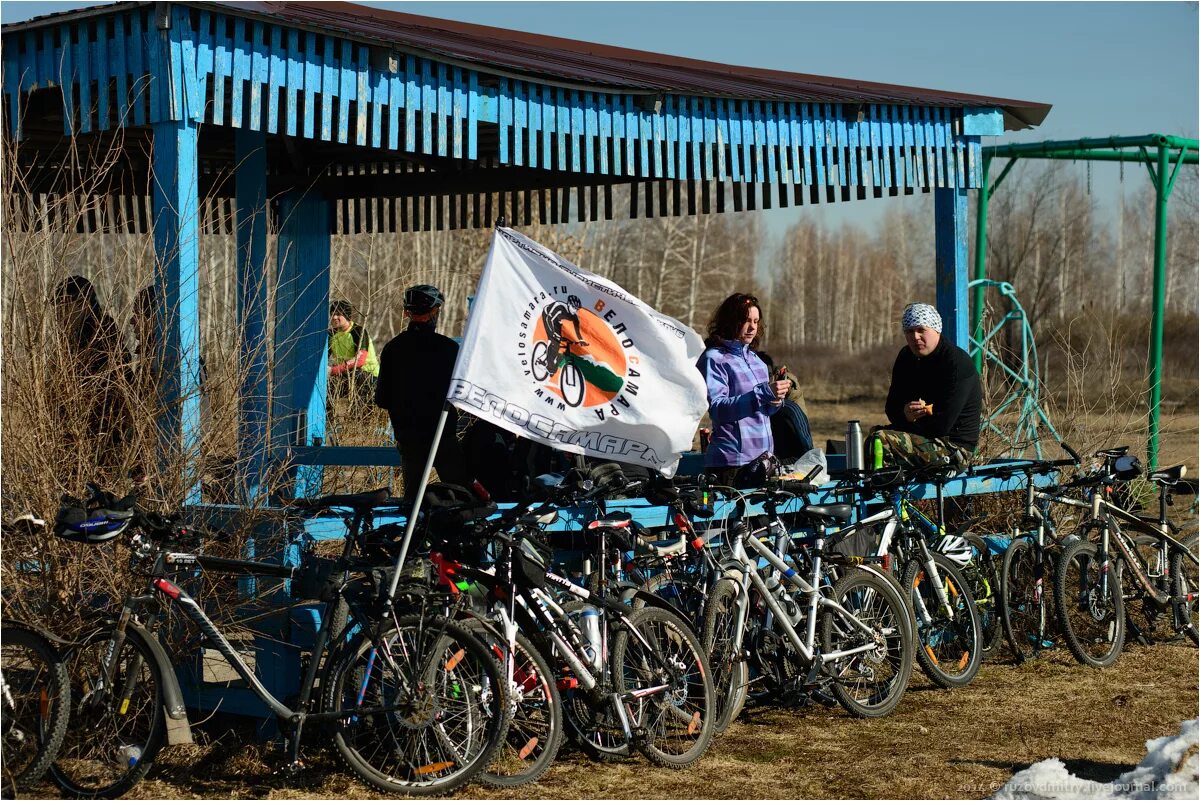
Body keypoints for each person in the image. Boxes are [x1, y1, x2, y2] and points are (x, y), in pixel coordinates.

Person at [375, 284, 475, 500]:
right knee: (463, 497)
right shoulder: (448, 349)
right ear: (434, 312)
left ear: (406, 313)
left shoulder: (393, 348)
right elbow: (464, 395)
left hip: (409, 438)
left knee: (413, 502)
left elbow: (381, 399)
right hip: (442, 436)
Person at [867, 302, 982, 469]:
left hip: (954, 448)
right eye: (909, 331)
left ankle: (884, 491)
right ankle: (884, 490)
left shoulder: (956, 363)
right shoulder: (906, 357)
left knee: (881, 440)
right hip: (921, 436)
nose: (915, 337)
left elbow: (942, 425)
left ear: (936, 330)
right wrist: (905, 414)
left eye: (921, 330)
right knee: (874, 437)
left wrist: (905, 425)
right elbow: (891, 407)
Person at [696, 293, 790, 487]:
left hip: (763, 460)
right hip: (731, 464)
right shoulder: (714, 358)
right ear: (731, 322)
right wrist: (764, 392)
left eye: (756, 321)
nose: (752, 327)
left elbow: (764, 411)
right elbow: (718, 409)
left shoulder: (758, 362)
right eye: (746, 320)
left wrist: (775, 401)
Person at [756, 351, 814, 462]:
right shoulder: (738, 409)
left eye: (767, 375)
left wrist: (774, 464)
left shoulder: (787, 410)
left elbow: (806, 456)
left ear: (773, 376)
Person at [327, 299, 379, 410]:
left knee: (358, 376)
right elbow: (323, 357)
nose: (334, 317)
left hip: (369, 377)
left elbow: (360, 361)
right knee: (326, 386)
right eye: (332, 314)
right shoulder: (331, 334)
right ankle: (327, 422)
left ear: (347, 315)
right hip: (347, 374)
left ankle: (361, 420)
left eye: (338, 314)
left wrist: (333, 370)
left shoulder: (358, 331)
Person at [539, 293, 585, 374]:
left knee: (558, 340)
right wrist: (553, 333)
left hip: (557, 320)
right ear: (568, 304)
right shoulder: (559, 307)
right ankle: (549, 367)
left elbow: (577, 329)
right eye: (574, 307)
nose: (575, 310)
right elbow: (549, 319)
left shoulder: (574, 316)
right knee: (554, 341)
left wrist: (581, 340)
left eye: (577, 309)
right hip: (548, 316)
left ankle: (544, 356)